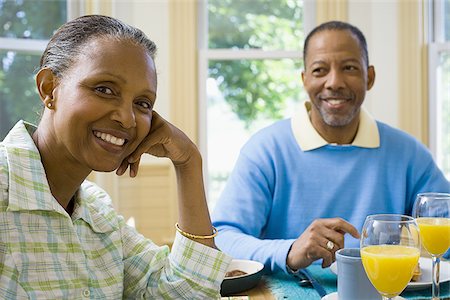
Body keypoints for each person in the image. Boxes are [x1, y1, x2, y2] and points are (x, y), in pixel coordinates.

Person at [0, 15, 231, 299]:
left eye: (142, 103)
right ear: (49, 88)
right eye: (104, 89)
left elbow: (186, 293)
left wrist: (188, 162)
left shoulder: (99, 215)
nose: (127, 118)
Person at [211, 20, 450, 274]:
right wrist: (290, 250)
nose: (334, 82)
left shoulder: (409, 154)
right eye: (319, 70)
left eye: (348, 68)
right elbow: (222, 238)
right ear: (304, 80)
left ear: (369, 77)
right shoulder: (265, 150)